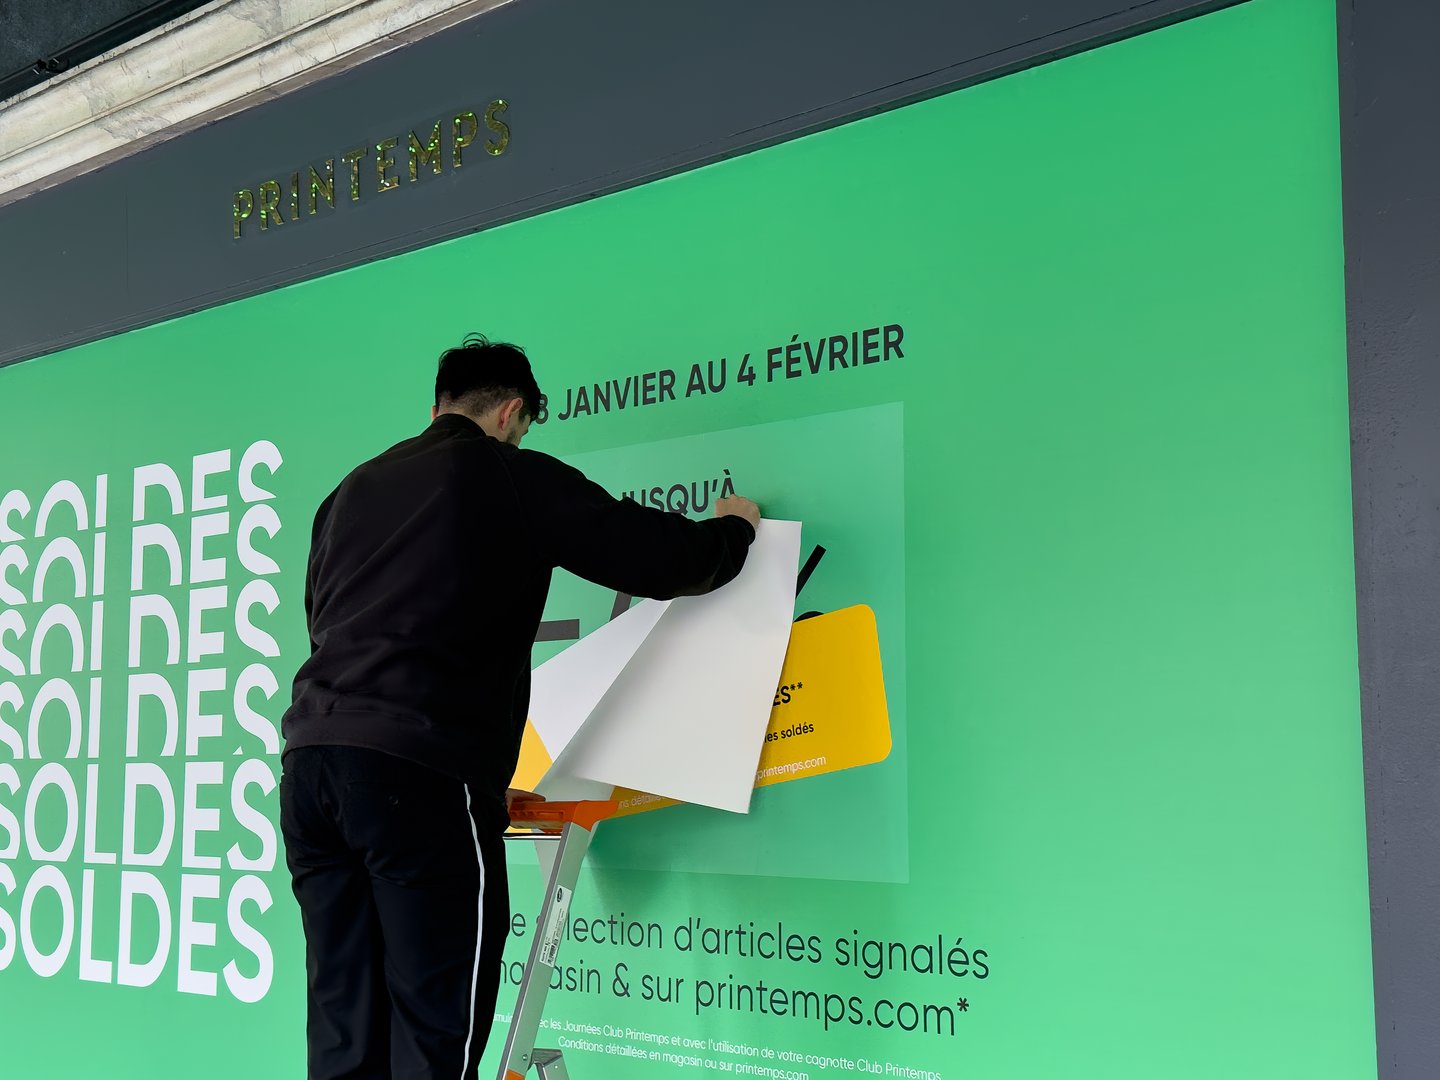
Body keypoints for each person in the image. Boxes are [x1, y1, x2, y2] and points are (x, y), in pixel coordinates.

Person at [279, 335, 761, 1079]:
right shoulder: (505, 473)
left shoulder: (348, 492)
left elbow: (324, 621)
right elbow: (649, 553)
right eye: (525, 426)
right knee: (436, 1027)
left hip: (312, 769)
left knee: (344, 1024)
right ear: (510, 414)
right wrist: (735, 532)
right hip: (418, 775)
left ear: (437, 407)